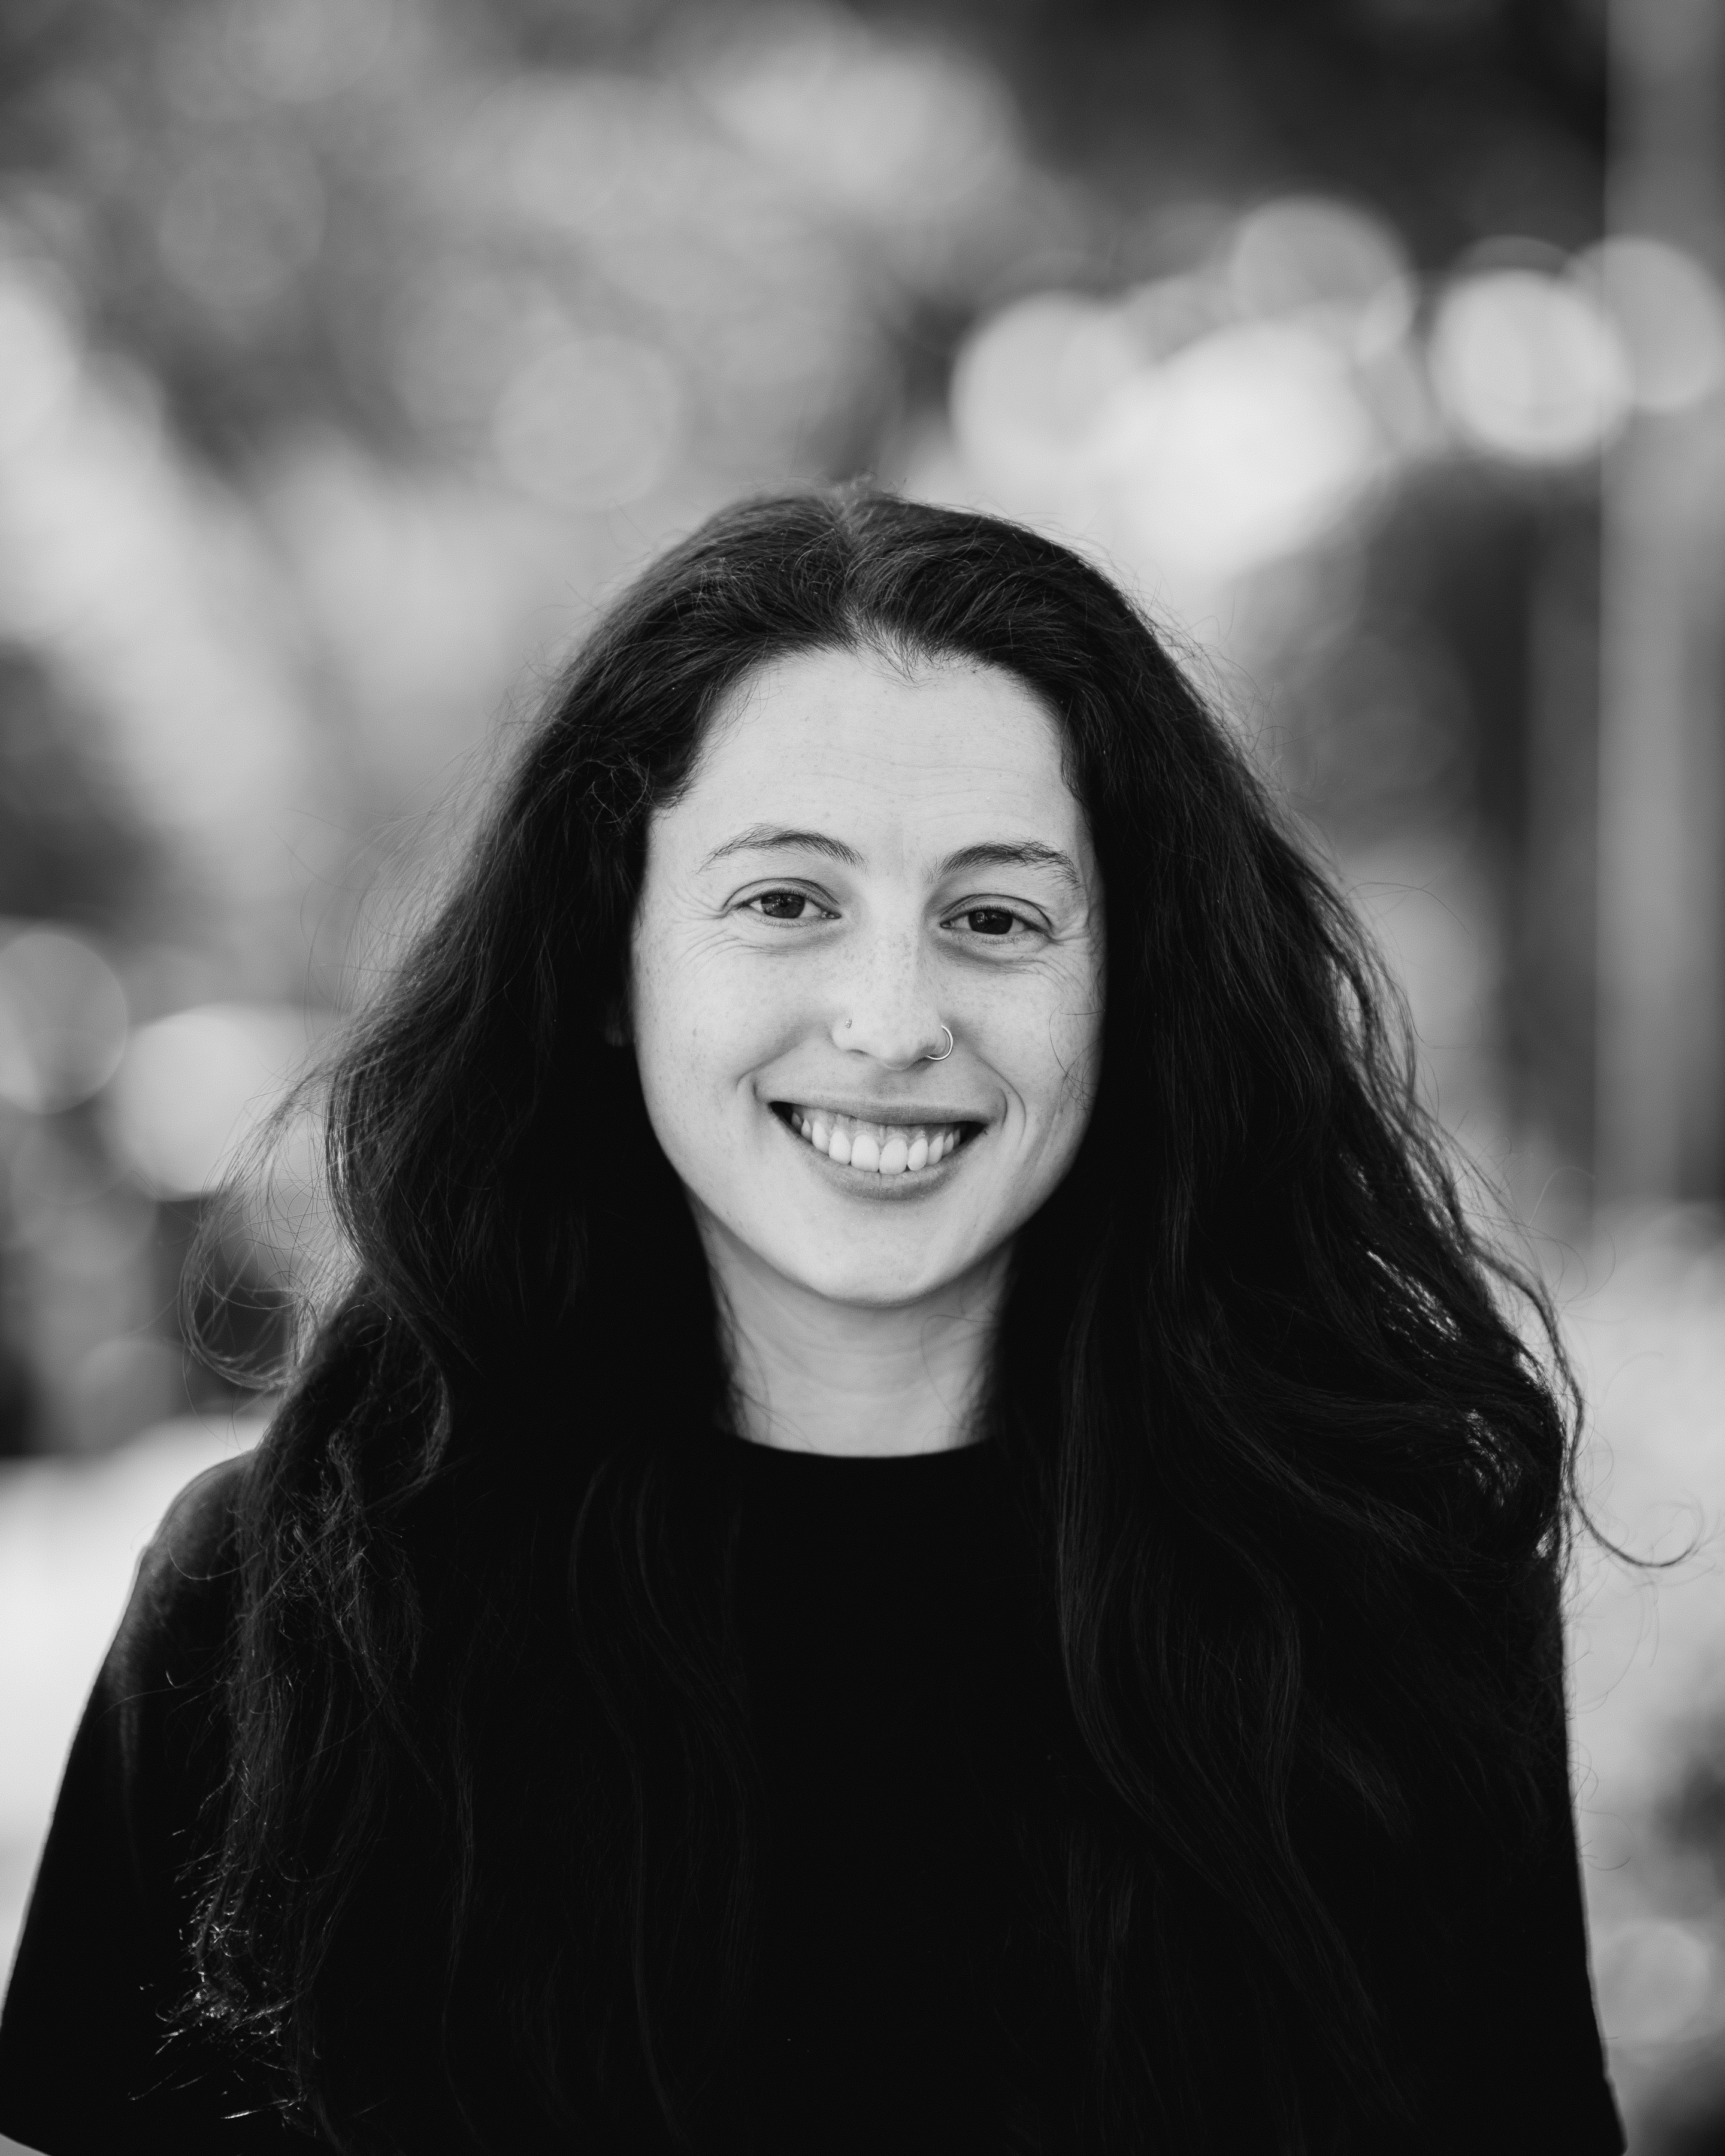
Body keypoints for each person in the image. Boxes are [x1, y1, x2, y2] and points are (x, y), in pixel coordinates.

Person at [0, 489, 1624, 2155]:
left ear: (1128, 995)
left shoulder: (1379, 1592)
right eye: (786, 901)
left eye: (996, 919)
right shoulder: (287, 1600)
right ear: (609, 965)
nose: (892, 1020)